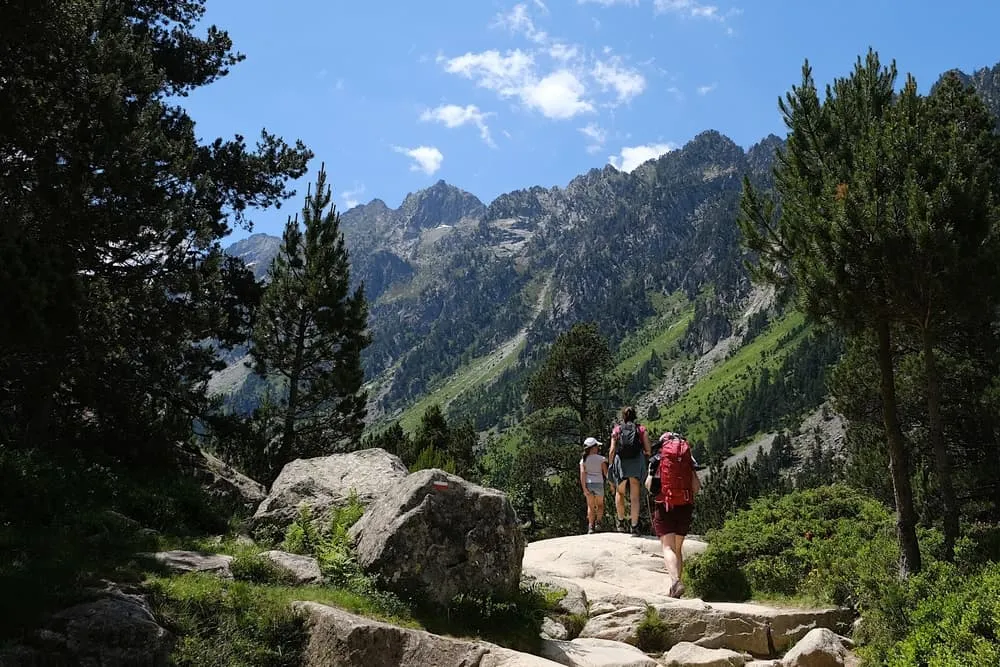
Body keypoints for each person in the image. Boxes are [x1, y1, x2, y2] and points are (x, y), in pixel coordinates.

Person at [649, 431, 701, 598]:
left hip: (665, 505)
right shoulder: (688, 459)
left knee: (667, 547)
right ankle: (676, 588)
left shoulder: (658, 458)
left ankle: (675, 582)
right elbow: (696, 487)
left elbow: (649, 485)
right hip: (684, 505)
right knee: (678, 548)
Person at [607, 406, 651, 536]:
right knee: (635, 496)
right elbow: (648, 449)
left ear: (623, 417)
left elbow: (612, 450)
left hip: (621, 462)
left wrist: (611, 464)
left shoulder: (617, 430)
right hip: (636, 462)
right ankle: (634, 525)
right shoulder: (641, 429)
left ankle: (620, 522)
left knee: (619, 493)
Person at [579, 436, 608, 534]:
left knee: (590, 506)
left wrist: (584, 488)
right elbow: (605, 473)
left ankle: (591, 527)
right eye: (597, 446)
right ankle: (598, 522)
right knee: (600, 505)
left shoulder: (583, 460)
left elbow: (583, 474)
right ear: (593, 447)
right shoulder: (601, 459)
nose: (598, 448)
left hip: (588, 484)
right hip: (599, 483)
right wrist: (611, 483)